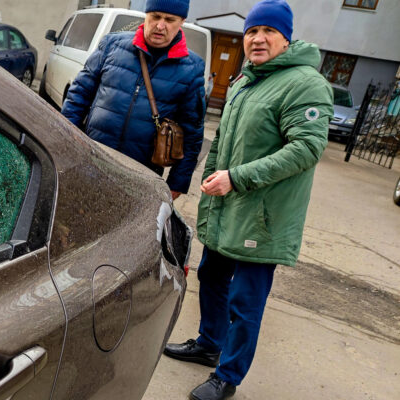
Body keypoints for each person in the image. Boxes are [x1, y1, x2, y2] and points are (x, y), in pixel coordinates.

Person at [162, 1, 333, 399]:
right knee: (212, 277)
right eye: (252, 32)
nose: (257, 39)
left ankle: (229, 375)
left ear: (285, 38)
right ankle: (209, 343)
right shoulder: (245, 80)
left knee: (246, 299)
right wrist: (211, 173)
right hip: (228, 205)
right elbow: (222, 137)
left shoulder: (304, 83)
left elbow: (307, 148)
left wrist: (236, 178)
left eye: (268, 32)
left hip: (263, 215)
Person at [61, 0, 205, 200]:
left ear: (181, 21)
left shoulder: (192, 69)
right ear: (146, 15)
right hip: (92, 159)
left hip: (142, 176)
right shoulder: (111, 45)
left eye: (169, 20)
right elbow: (78, 95)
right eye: (155, 16)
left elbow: (192, 132)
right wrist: (67, 140)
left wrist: (178, 181)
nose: (160, 25)